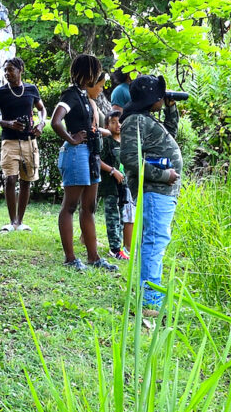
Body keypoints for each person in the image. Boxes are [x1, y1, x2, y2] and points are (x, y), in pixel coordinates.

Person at [120, 75, 183, 311]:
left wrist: (171, 109)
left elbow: (169, 134)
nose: (162, 96)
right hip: (155, 190)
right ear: (150, 97)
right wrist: (164, 175)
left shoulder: (145, 120)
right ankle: (150, 302)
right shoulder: (135, 120)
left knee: (155, 241)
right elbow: (129, 158)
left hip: (161, 193)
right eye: (159, 93)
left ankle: (150, 295)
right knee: (155, 242)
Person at [50, 54, 118, 272]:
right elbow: (56, 121)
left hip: (90, 154)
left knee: (89, 207)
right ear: (87, 72)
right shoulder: (70, 95)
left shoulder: (83, 96)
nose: (98, 76)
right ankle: (70, 258)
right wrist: (72, 138)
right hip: (76, 153)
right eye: (95, 71)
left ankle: (94, 258)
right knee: (70, 206)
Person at [0, 58, 46, 233]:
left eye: (11, 69)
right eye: (5, 70)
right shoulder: (0, 93)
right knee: (10, 179)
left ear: (21, 70)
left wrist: (41, 124)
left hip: (29, 141)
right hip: (10, 141)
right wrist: (8, 123)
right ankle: (12, 222)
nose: (7, 73)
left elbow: (42, 109)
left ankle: (20, 221)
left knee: (26, 180)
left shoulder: (31, 90)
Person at [98, 110, 135, 261]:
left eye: (120, 122)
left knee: (121, 218)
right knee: (112, 218)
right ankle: (114, 249)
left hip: (124, 187)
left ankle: (119, 248)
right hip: (110, 186)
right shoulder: (107, 141)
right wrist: (113, 171)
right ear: (107, 125)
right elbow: (97, 161)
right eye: (113, 122)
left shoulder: (127, 142)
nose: (117, 125)